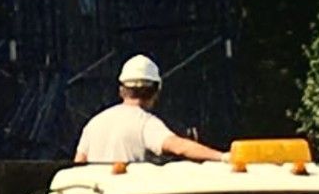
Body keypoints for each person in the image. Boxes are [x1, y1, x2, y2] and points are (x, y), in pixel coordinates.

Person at [75, 54, 228, 166]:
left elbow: (78, 164)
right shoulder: (145, 124)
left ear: (121, 90)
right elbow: (180, 147)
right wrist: (223, 157)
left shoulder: (94, 123)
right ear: (156, 91)